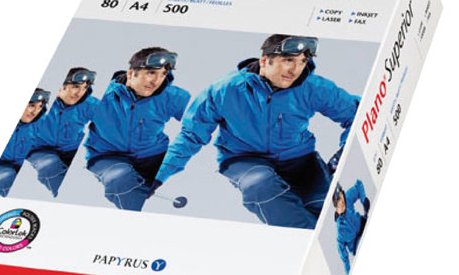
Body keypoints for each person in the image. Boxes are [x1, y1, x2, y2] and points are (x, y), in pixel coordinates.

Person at [151, 34, 360, 229]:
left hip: (300, 160)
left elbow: (356, 115)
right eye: (288, 60)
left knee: (328, 212)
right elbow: (191, 135)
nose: (295, 70)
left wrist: (344, 153)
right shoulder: (226, 89)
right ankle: (304, 237)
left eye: (302, 61)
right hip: (245, 159)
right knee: (260, 186)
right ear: (264, 61)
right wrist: (157, 177)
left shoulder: (313, 88)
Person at [85, 47, 191, 211]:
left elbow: (196, 130)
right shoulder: (102, 96)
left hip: (151, 155)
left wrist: (160, 176)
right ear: (131, 73)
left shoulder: (173, 97)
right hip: (107, 157)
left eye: (163, 74)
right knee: (120, 179)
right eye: (151, 73)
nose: (156, 81)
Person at [27, 67, 99, 197]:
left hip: (70, 150)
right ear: (62, 85)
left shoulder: (88, 104)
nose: (79, 93)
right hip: (40, 150)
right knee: (50, 164)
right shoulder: (40, 105)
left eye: (84, 88)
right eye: (75, 87)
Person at [0, 88, 50, 197]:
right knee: (6, 176)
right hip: (0, 168)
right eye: (31, 106)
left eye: (40, 107)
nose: (35, 112)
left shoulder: (41, 123)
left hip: (23, 170)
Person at [332, 180, 370, 275]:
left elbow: (359, 185)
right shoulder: (340, 234)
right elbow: (345, 260)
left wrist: (364, 200)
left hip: (366, 224)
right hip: (359, 245)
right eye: (339, 201)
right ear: (335, 206)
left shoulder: (347, 201)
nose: (342, 203)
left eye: (342, 198)